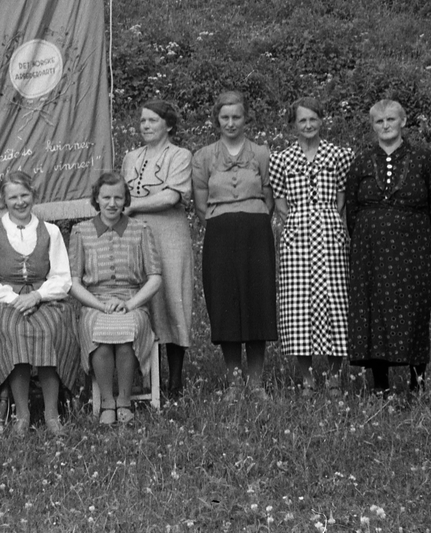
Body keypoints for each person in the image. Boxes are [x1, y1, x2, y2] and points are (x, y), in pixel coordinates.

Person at [344, 99, 431, 396]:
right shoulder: (362, 161)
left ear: (403, 121)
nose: (386, 125)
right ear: (373, 126)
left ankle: (417, 384)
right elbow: (352, 208)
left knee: (414, 307)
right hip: (370, 251)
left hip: (413, 248)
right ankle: (380, 385)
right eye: (379, 121)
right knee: (373, 310)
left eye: (391, 119)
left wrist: (421, 235)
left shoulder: (424, 159)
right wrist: (367, 234)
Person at [0, 171, 77, 436]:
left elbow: (62, 278)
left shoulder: (51, 231)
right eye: (13, 197)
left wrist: (37, 296)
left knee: (48, 330)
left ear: (34, 195)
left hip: (45, 298)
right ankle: (22, 414)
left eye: (24, 195)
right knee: (15, 332)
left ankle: (52, 414)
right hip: (4, 301)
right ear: (3, 199)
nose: (20, 202)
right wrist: (13, 298)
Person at [191, 90, 278, 399]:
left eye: (236, 117)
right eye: (225, 117)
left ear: (245, 118)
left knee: (257, 302)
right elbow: (200, 204)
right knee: (225, 303)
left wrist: (252, 218)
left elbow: (269, 196)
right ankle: (234, 382)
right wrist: (224, 221)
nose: (231, 123)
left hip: (256, 234)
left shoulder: (262, 153)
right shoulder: (203, 156)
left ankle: (256, 382)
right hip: (220, 234)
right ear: (217, 119)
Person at [270, 97, 356, 397]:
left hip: (330, 231)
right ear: (294, 124)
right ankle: (306, 377)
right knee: (298, 304)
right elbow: (280, 204)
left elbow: (342, 198)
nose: (308, 125)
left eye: (313, 119)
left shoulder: (339, 155)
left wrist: (326, 219)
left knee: (336, 301)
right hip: (297, 234)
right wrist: (300, 222)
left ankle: (334, 376)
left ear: (322, 120)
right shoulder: (281, 159)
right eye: (302, 120)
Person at [69, 173, 163, 425]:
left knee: (126, 335)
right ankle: (107, 402)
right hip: (94, 303)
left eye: (118, 198)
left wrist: (130, 304)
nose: (112, 203)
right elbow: (73, 283)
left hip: (132, 302)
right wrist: (100, 306)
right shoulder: (81, 232)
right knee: (99, 334)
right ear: (96, 199)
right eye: (106, 198)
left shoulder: (141, 230)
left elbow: (155, 278)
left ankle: (124, 400)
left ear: (125, 200)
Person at [120, 99, 195, 400]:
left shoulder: (180, 155)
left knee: (172, 298)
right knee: (144, 300)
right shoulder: (131, 157)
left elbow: (171, 196)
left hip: (170, 234)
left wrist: (132, 206)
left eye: (152, 120)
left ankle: (175, 381)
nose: (146, 126)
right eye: (143, 121)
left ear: (169, 125)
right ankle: (150, 378)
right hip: (136, 234)